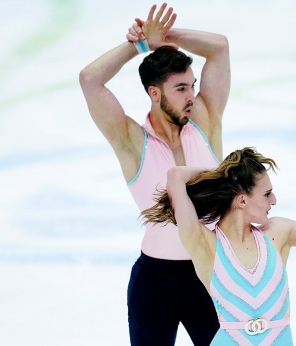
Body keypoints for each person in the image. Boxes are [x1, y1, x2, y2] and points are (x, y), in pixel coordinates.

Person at [79, 3, 230, 345]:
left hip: (210, 276)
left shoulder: (205, 121)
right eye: (181, 89)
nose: (192, 95)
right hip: (155, 283)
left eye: (192, 85)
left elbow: (219, 47)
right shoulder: (132, 142)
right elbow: (89, 79)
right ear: (154, 92)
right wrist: (139, 45)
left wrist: (165, 36)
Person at [141, 147, 296, 345]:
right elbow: (175, 175)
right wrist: (223, 175)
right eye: (267, 194)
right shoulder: (205, 243)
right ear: (242, 200)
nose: (274, 200)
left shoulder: (279, 233)